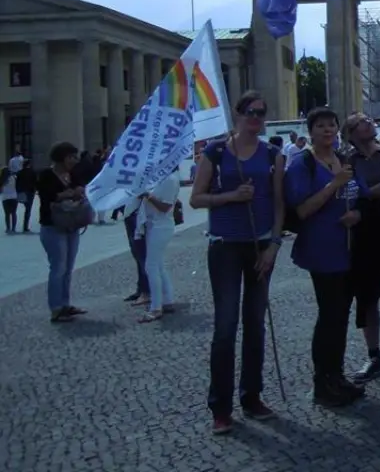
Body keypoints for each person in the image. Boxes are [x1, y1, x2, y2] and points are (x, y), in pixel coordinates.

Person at [190, 90, 285, 434]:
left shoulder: (273, 153)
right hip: (225, 245)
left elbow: (278, 204)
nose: (256, 117)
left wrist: (273, 246)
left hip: (260, 245)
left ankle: (252, 396)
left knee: (256, 324)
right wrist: (232, 195)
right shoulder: (215, 151)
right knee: (226, 327)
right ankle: (220, 406)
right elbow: (196, 198)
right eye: (251, 112)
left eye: (261, 112)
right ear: (238, 113)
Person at [285, 107, 367, 407]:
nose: (328, 130)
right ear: (311, 131)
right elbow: (302, 210)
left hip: (347, 249)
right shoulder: (302, 165)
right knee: (329, 316)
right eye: (321, 126)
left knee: (340, 316)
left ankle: (337, 375)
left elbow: (356, 197)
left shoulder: (343, 160)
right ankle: (323, 382)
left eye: (332, 125)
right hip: (321, 250)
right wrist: (334, 184)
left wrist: (357, 213)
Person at [343, 112, 380, 385]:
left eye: (368, 119)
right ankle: (374, 355)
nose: (368, 122)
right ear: (351, 134)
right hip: (364, 235)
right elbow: (355, 193)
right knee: (366, 299)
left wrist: (376, 190)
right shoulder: (347, 162)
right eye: (359, 122)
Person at [36, 142, 88, 323]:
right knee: (58, 268)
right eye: (71, 157)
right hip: (53, 227)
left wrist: (77, 192)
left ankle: (65, 304)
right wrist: (68, 193)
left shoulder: (72, 174)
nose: (74, 160)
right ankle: (56, 308)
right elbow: (48, 196)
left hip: (71, 226)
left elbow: (80, 189)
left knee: (68, 268)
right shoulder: (46, 175)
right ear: (61, 157)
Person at [135, 172, 181, 323]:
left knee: (151, 266)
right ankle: (167, 300)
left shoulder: (170, 179)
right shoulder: (158, 178)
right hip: (153, 225)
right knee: (159, 265)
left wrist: (147, 195)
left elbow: (165, 207)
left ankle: (156, 307)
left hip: (161, 226)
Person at [121, 192, 151, 306]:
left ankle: (147, 291)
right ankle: (142, 288)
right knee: (137, 255)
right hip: (130, 214)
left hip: (138, 215)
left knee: (142, 255)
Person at [15, 163, 36, 233]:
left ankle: (12, 227)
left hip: (22, 192)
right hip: (30, 192)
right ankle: (25, 227)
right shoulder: (32, 172)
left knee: (15, 210)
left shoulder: (19, 173)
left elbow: (17, 183)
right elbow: (35, 182)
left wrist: (18, 191)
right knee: (28, 210)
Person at [2, 165, 17, 233]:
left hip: (5, 198)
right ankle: (13, 228)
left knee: (7, 214)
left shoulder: (2, 180)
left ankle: (8, 228)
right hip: (14, 197)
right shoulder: (14, 177)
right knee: (13, 213)